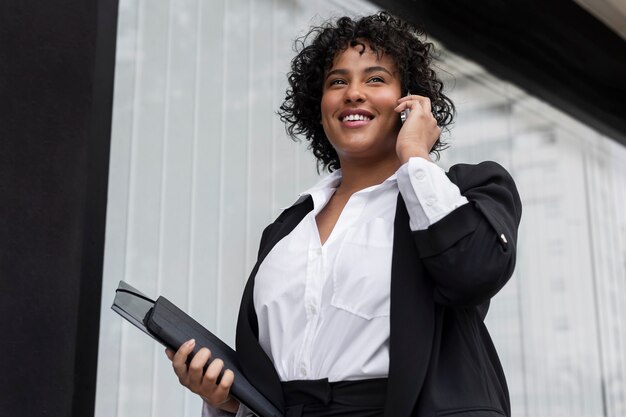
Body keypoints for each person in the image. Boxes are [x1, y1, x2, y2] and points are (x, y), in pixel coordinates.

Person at [166, 12, 521, 417]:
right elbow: (271, 380)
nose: (353, 93)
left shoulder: (467, 190)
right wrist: (226, 401)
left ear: (411, 102)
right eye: (338, 82)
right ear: (319, 110)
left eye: (375, 79)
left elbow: (474, 270)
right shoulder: (285, 232)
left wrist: (415, 158)